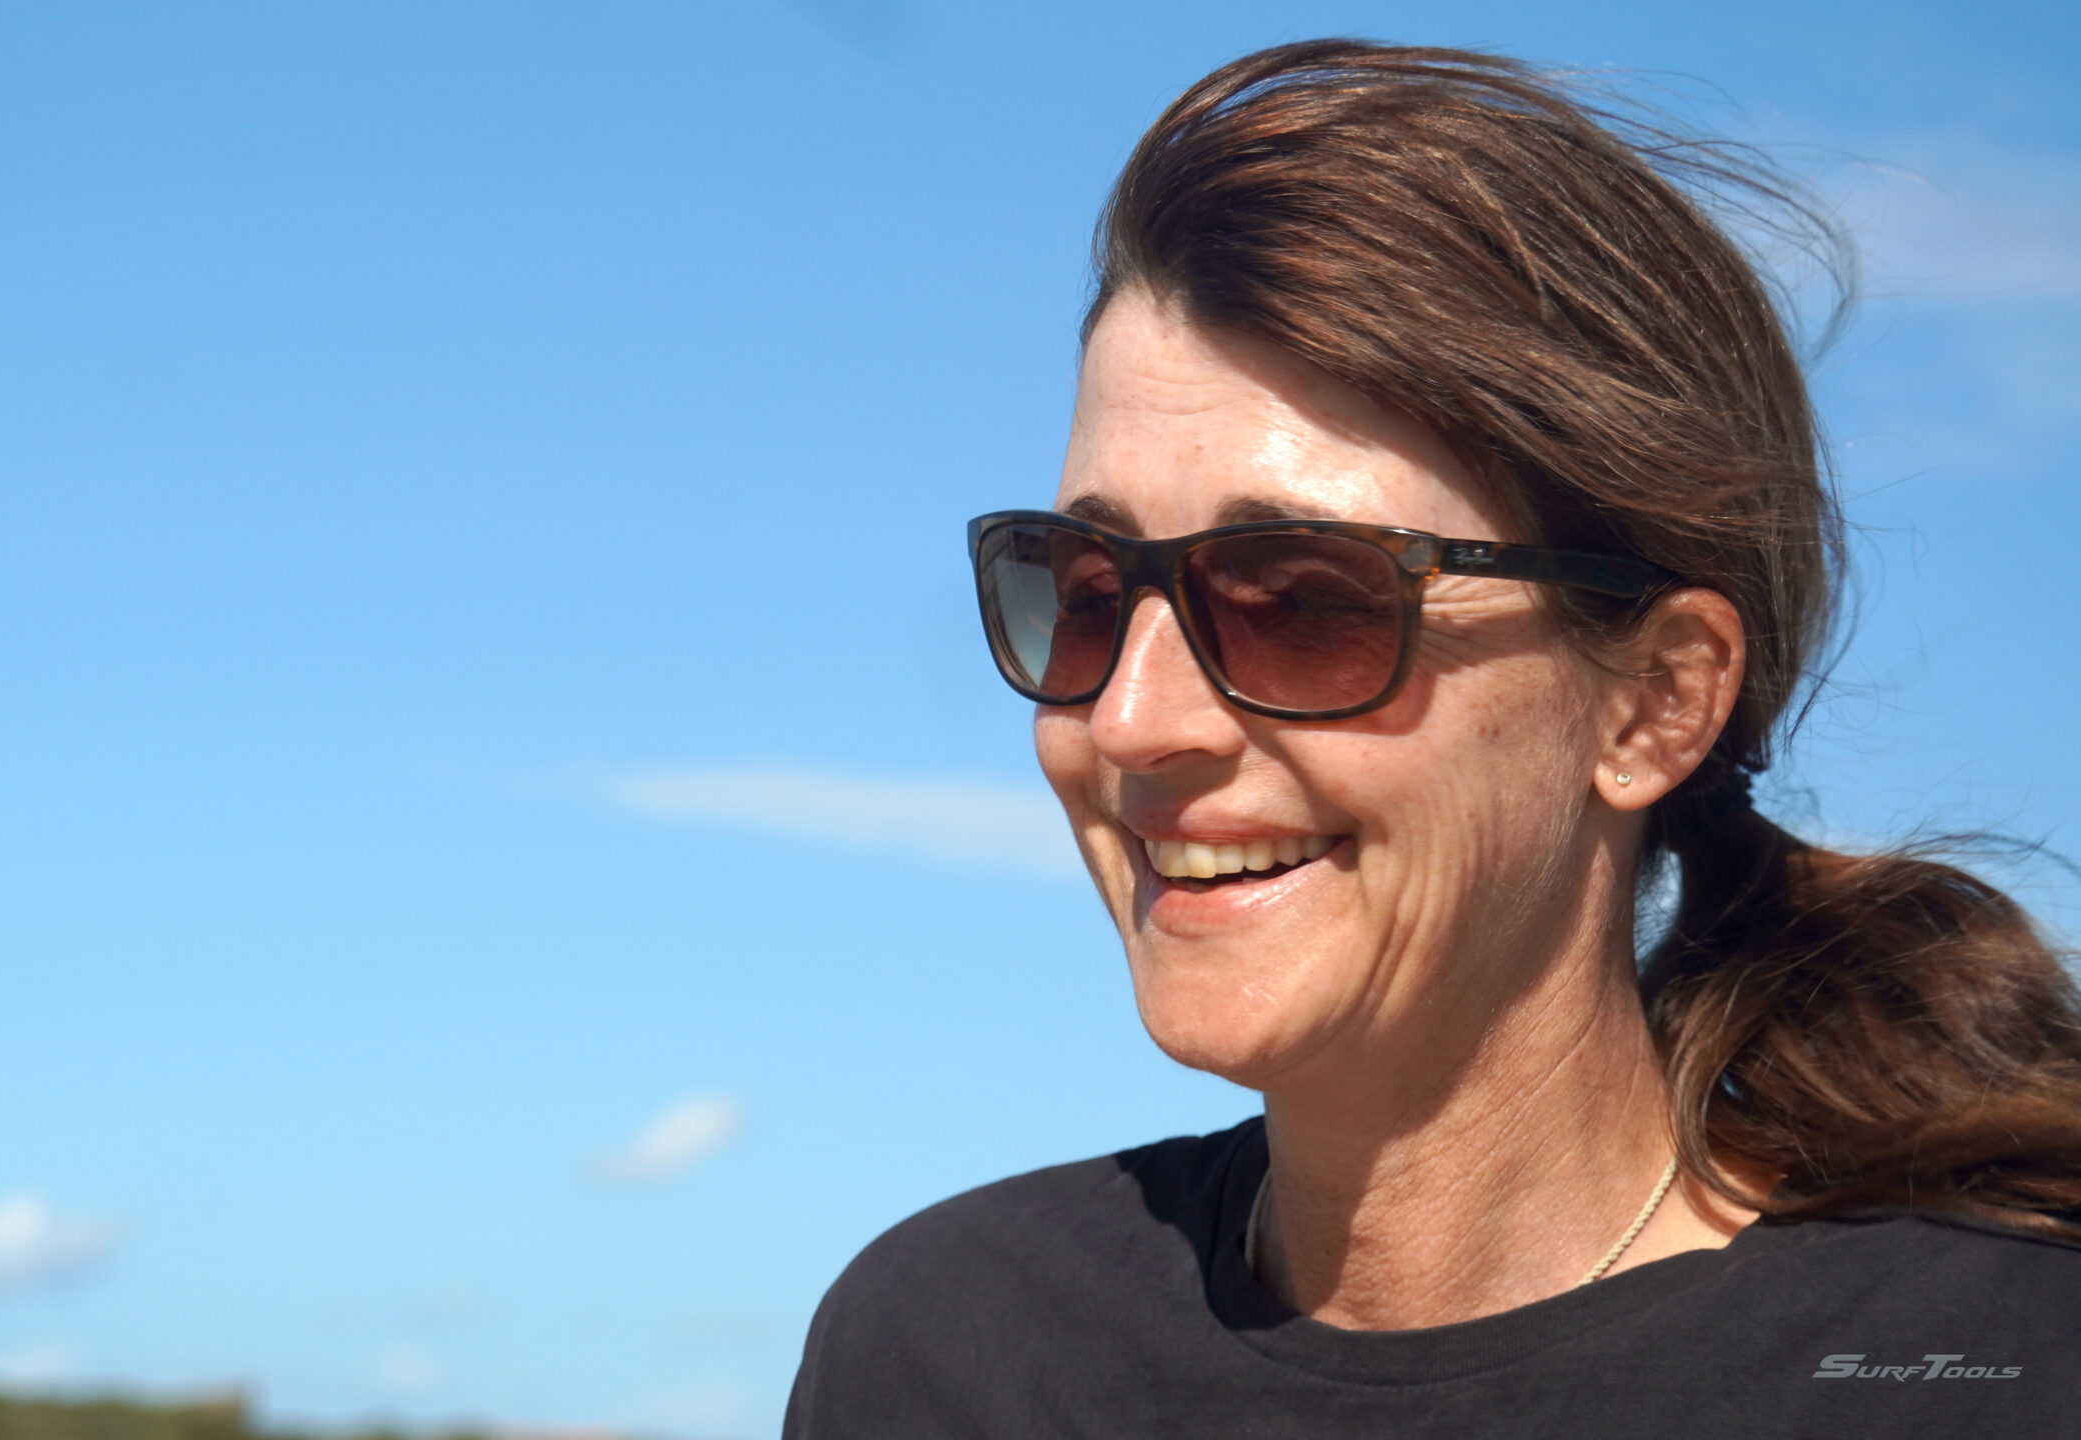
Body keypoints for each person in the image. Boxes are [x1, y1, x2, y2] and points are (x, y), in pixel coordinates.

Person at [783, 39, 2081, 1438]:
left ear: (1658, 701)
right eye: (1086, 592)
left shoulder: (1998, 1367)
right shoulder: (950, 1360)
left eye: (1301, 602)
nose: (1133, 721)